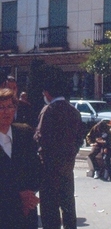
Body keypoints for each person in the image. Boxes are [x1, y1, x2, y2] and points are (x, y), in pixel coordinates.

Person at [34, 66, 82, 229]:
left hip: (49, 168)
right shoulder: (74, 111)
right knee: (68, 206)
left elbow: (40, 138)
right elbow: (79, 139)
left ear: (47, 93)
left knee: (49, 209)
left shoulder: (48, 110)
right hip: (67, 167)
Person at [0, 88, 41, 229]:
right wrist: (18, 198)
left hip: (26, 213)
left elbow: (36, 168)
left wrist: (29, 195)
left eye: (10, 106)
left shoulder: (24, 132)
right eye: (1, 107)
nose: (6, 111)